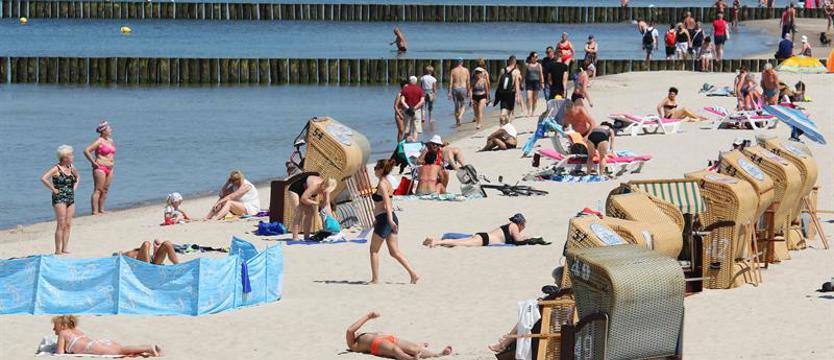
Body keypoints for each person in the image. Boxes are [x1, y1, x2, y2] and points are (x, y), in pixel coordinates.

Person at [370, 160, 419, 284]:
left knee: (374, 250)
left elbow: (387, 203)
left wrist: (390, 220)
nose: (374, 169)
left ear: (381, 170)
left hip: (386, 219)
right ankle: (413, 274)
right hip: (388, 219)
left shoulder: (382, 183)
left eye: (376, 167)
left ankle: (375, 279)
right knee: (394, 252)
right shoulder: (388, 182)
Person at [346, 312, 451, 358]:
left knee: (414, 349)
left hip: (386, 339)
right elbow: (350, 330)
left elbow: (353, 330)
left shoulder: (362, 335)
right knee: (395, 350)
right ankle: (411, 359)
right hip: (376, 344)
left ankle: (437, 354)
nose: (356, 331)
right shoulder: (353, 344)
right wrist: (368, 317)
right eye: (356, 332)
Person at [51, 315, 160, 357]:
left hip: (92, 346)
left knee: (120, 351)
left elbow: (59, 353)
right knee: (121, 350)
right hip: (99, 343)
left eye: (55, 326)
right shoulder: (76, 330)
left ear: (63, 326)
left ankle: (148, 347)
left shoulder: (63, 333)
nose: (53, 329)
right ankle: (147, 349)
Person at [40, 145, 79, 255]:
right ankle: (57, 250)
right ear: (64, 157)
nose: (73, 156)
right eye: (71, 155)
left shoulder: (72, 167)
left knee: (68, 224)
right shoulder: (56, 169)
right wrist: (53, 189)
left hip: (70, 197)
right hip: (59, 198)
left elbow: (78, 177)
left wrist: (74, 188)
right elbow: (43, 178)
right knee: (61, 223)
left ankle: (65, 248)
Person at [563, 98, 611, 175]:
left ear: (574, 107)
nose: (571, 113)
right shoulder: (567, 115)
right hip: (578, 136)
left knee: (591, 153)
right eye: (568, 112)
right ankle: (579, 167)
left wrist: (587, 136)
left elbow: (593, 123)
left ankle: (597, 166)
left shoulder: (581, 110)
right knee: (579, 151)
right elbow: (565, 126)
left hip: (588, 133)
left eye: (571, 111)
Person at [423, 213, 528, 248]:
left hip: (484, 237)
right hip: (485, 240)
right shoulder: (514, 226)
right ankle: (436, 242)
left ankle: (437, 242)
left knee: (459, 242)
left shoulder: (510, 225)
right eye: (524, 226)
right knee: (458, 242)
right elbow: (518, 240)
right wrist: (529, 240)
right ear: (520, 223)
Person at [289, 174, 336, 240]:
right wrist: (317, 203)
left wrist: (331, 219)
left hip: (305, 193)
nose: (325, 192)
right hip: (295, 190)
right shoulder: (314, 185)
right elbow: (303, 199)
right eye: (324, 190)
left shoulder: (327, 189)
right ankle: (295, 237)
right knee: (298, 212)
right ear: (323, 185)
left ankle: (306, 237)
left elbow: (327, 204)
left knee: (310, 212)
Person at [83, 120, 115, 215]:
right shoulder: (99, 141)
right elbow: (86, 151)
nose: (111, 130)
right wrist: (93, 162)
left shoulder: (110, 140)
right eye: (109, 129)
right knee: (98, 189)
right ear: (103, 131)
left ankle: (102, 209)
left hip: (110, 168)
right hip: (100, 167)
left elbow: (111, 154)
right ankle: (95, 211)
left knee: (105, 189)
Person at [494, 55, 523, 123]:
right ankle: (508, 124)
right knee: (510, 111)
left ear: (508, 61)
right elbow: (517, 84)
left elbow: (498, 83)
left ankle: (502, 122)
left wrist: (497, 93)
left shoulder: (502, 70)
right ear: (515, 62)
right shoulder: (516, 72)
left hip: (502, 93)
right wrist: (518, 96)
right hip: (511, 93)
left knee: (503, 109)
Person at [401, 76, 425, 141]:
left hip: (407, 111)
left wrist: (408, 108)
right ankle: (414, 143)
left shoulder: (405, 89)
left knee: (407, 129)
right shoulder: (420, 89)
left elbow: (402, 101)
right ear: (416, 82)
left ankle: (407, 144)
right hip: (417, 111)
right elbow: (422, 101)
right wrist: (415, 108)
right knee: (416, 129)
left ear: (409, 81)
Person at [448, 58, 471, 127]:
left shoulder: (453, 70)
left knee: (456, 106)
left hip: (455, 88)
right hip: (463, 88)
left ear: (456, 62)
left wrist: (449, 92)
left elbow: (450, 82)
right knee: (463, 105)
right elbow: (468, 82)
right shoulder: (466, 70)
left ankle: (457, 121)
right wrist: (469, 91)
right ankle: (460, 117)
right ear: (462, 62)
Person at [524, 51, 544, 117]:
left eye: (537, 57)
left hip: (536, 82)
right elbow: (524, 74)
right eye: (535, 56)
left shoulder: (539, 65)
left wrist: (542, 83)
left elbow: (541, 74)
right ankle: (529, 111)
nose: (536, 58)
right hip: (528, 82)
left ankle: (533, 111)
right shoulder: (527, 65)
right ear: (531, 57)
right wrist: (521, 83)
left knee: (535, 98)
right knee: (529, 97)